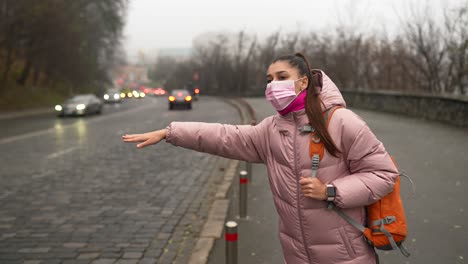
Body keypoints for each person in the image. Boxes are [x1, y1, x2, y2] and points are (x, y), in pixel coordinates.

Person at [122, 53, 398, 264]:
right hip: (297, 254)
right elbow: (224, 136)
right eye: (269, 80)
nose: (273, 85)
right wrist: (171, 132)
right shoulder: (271, 129)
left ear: (303, 82)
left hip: (346, 255)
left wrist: (331, 191)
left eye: (281, 77)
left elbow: (384, 175)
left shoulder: (342, 122)